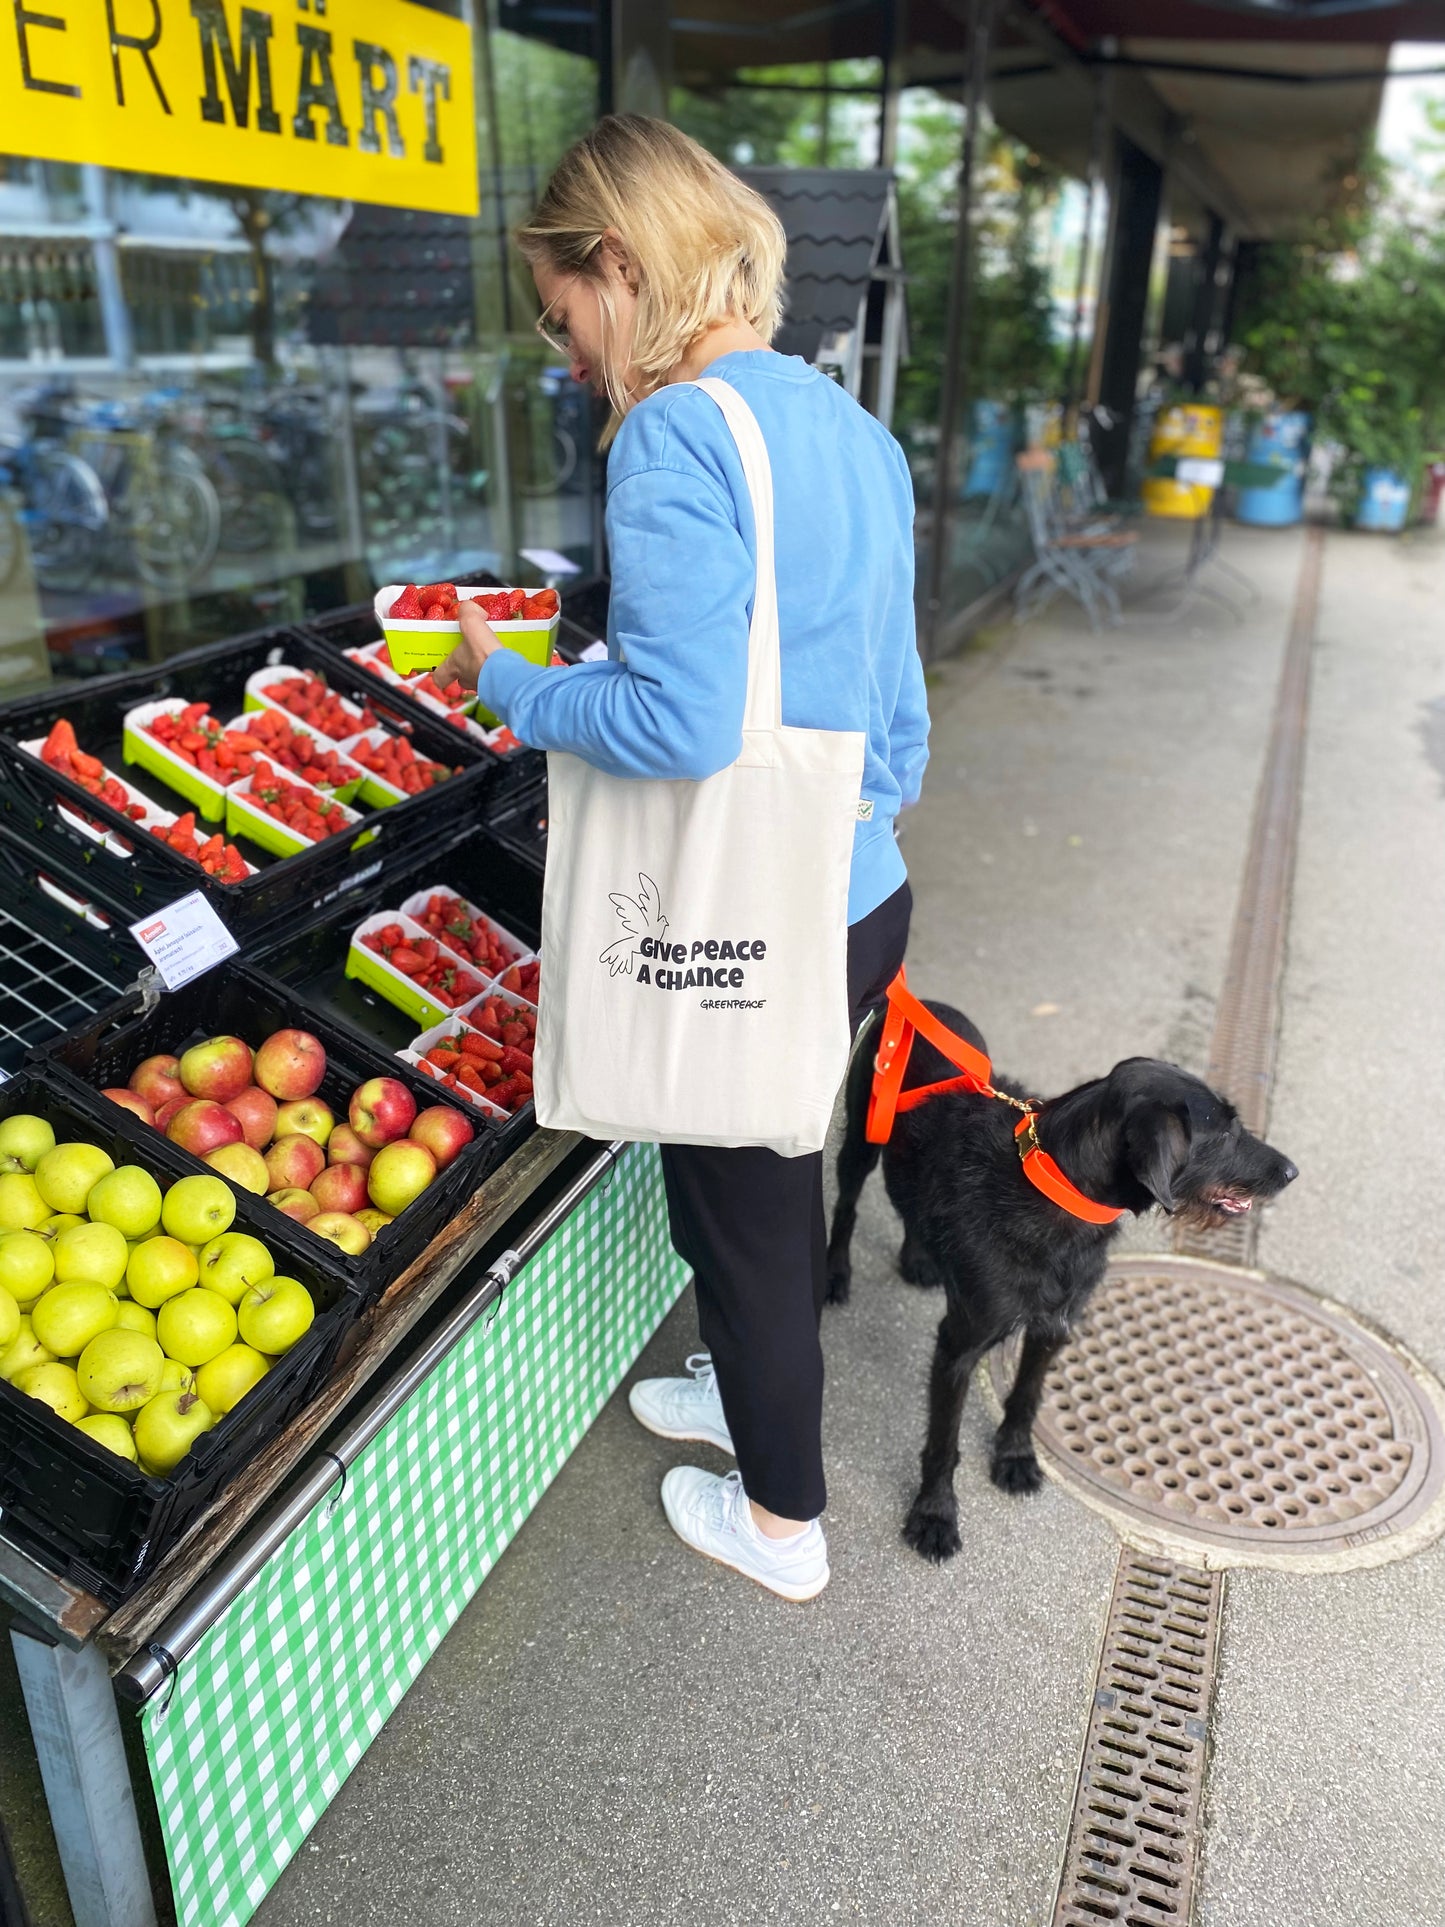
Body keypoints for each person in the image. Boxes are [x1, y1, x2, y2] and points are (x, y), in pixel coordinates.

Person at [439, 115, 928, 1602]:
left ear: (617, 262)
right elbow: (897, 714)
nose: (568, 349)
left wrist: (507, 683)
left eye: (563, 310)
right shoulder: (851, 430)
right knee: (758, 1169)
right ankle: (736, 1388)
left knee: (749, 1213)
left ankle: (783, 1523)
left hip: (748, 920)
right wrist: (848, 834)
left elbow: (678, 721)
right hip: (859, 891)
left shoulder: (673, 432)